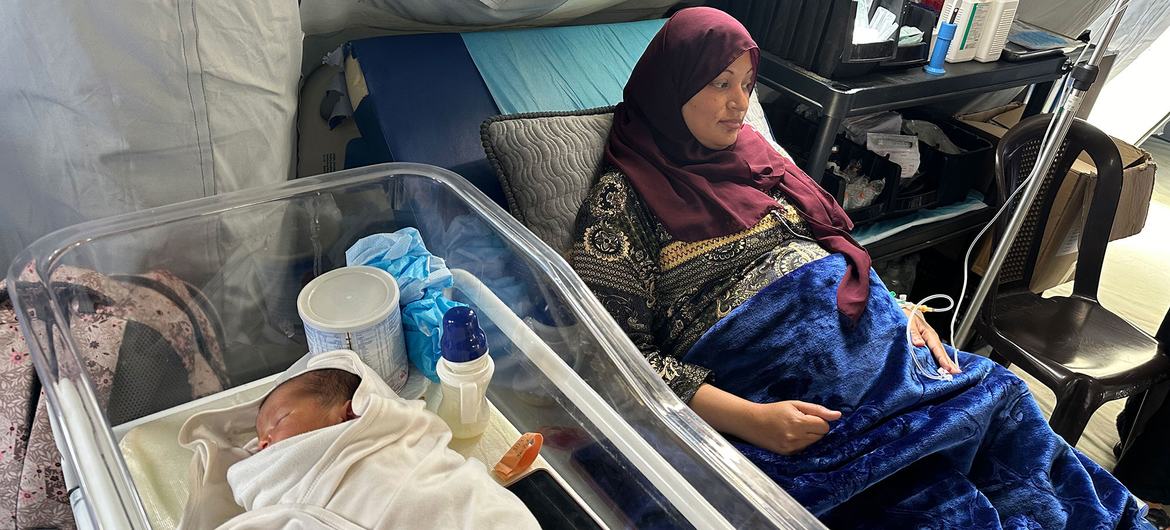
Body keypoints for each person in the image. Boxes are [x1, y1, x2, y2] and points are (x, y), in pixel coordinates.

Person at [572, 7, 1151, 529]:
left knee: (1002, 398)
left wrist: (897, 308)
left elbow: (830, 245)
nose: (740, 104)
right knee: (922, 493)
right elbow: (610, 356)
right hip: (778, 379)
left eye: (747, 85)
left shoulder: (753, 154)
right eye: (720, 84)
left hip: (872, 338)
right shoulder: (622, 202)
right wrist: (751, 420)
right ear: (670, 87)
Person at [178, 349, 539, 530]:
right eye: (261, 440)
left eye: (279, 420)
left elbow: (455, 489)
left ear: (351, 411)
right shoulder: (289, 491)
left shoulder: (396, 439)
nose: (266, 441)